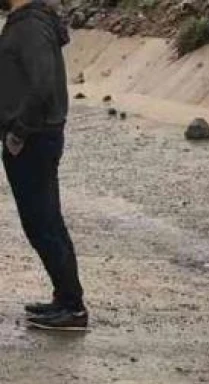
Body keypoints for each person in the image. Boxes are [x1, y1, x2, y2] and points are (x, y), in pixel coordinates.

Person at [0, 0, 88, 331]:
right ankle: (65, 298)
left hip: (34, 139)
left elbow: (42, 84)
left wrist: (19, 131)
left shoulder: (31, 25)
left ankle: (72, 305)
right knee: (43, 221)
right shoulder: (28, 22)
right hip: (36, 137)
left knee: (43, 222)